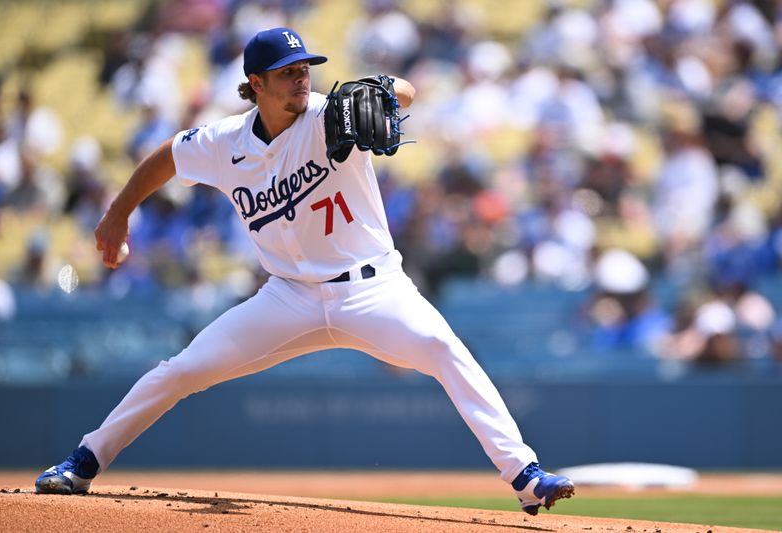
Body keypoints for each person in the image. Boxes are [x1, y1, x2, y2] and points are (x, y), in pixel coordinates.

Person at [34, 27, 574, 515]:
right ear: (256, 83)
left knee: (444, 349)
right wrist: (117, 214)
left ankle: (525, 476)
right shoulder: (223, 142)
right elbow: (168, 158)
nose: (302, 79)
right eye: (288, 73)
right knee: (181, 370)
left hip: (373, 290)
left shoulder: (327, 113)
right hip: (286, 298)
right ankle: (83, 462)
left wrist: (384, 93)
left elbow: (402, 91)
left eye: (305, 69)